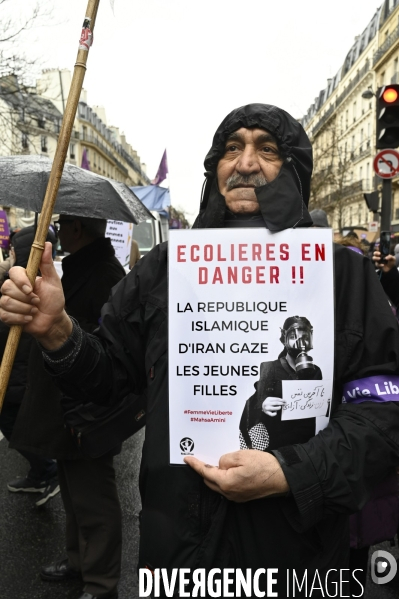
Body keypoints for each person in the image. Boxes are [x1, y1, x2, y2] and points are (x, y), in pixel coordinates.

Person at [1, 104, 399, 597]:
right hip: (178, 556)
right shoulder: (166, 270)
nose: (246, 163)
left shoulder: (345, 275)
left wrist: (288, 474)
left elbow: (382, 418)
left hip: (298, 556)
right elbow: (107, 379)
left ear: (294, 168)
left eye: (266, 149)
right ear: (216, 168)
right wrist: (59, 332)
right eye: (232, 148)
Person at [7, 216, 125, 599]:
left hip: (88, 410)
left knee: (95, 500)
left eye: (63, 224)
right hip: (68, 404)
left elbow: (108, 342)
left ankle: (101, 582)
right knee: (75, 495)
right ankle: (78, 562)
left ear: (76, 230)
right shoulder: (81, 266)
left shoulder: (105, 271)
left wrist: (61, 325)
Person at [0, 225, 59, 505]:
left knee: (14, 426)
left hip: (17, 379)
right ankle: (41, 472)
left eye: (11, 251)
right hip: (21, 378)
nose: (7, 255)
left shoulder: (25, 292)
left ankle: (46, 470)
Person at [239, 316, 322, 451]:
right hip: (275, 449)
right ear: (284, 339)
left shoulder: (315, 371)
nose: (300, 342)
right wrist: (262, 407)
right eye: (294, 336)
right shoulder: (270, 369)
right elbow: (252, 406)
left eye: (305, 337)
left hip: (305, 449)